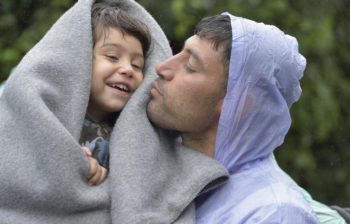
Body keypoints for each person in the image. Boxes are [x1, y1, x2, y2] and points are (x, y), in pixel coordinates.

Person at [147, 12, 346, 223]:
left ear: (238, 104)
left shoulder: (273, 213)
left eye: (190, 67)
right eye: (180, 53)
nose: (162, 68)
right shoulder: (156, 165)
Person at [79, 2, 151, 186]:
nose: (128, 69)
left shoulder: (130, 140)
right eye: (112, 56)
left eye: (137, 65)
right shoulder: (53, 117)